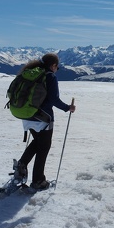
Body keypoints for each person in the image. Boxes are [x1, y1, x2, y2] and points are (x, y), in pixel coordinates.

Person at [15, 53, 76, 190]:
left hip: (26, 115)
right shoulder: (50, 76)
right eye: (57, 67)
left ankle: (21, 165)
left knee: (37, 142)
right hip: (43, 118)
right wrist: (68, 108)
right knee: (43, 147)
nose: (57, 70)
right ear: (53, 65)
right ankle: (38, 181)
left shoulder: (32, 74)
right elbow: (54, 100)